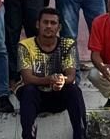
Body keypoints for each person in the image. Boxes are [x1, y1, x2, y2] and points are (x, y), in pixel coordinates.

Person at [17, 8, 86, 139]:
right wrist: (49, 79)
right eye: (45, 22)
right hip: (36, 97)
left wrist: (61, 80)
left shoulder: (68, 44)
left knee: (74, 90)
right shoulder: (25, 45)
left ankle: (81, 136)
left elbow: (71, 76)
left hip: (58, 95)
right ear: (38, 24)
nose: (49, 26)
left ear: (59, 27)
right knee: (28, 90)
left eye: (53, 23)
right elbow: (27, 79)